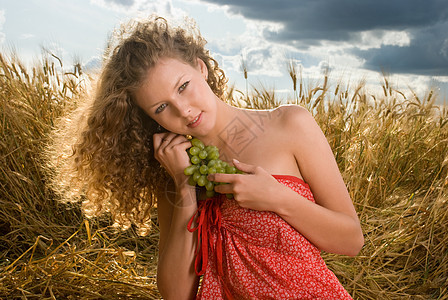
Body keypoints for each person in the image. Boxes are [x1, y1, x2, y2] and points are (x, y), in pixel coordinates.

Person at [55, 15, 364, 299]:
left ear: (200, 67)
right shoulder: (174, 171)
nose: (184, 110)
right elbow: (177, 294)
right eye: (161, 108)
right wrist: (184, 187)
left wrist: (277, 197)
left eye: (183, 87)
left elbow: (351, 240)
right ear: (150, 118)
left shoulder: (289, 124)